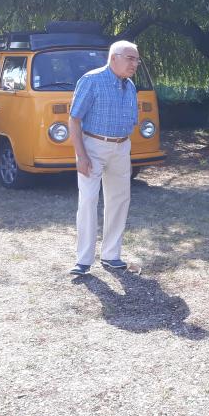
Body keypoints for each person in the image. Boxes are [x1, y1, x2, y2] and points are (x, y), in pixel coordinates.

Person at [68, 40, 141, 276]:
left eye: (137, 60)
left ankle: (111, 255)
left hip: (121, 147)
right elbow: (74, 119)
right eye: (130, 58)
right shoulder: (92, 80)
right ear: (113, 58)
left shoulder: (130, 86)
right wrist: (81, 155)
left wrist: (124, 145)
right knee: (89, 200)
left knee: (119, 200)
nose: (135, 64)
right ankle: (83, 260)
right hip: (93, 146)